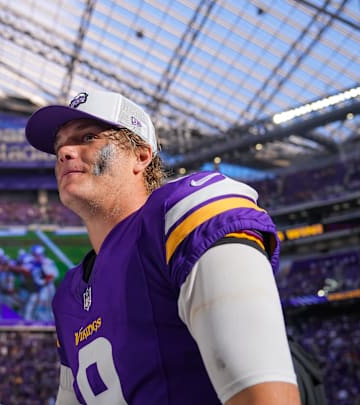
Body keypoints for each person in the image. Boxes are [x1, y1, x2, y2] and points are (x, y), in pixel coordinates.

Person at [24, 90, 301, 404]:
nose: (65, 152)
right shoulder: (68, 295)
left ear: (141, 155)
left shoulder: (179, 215)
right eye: (60, 146)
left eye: (87, 137)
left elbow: (265, 396)